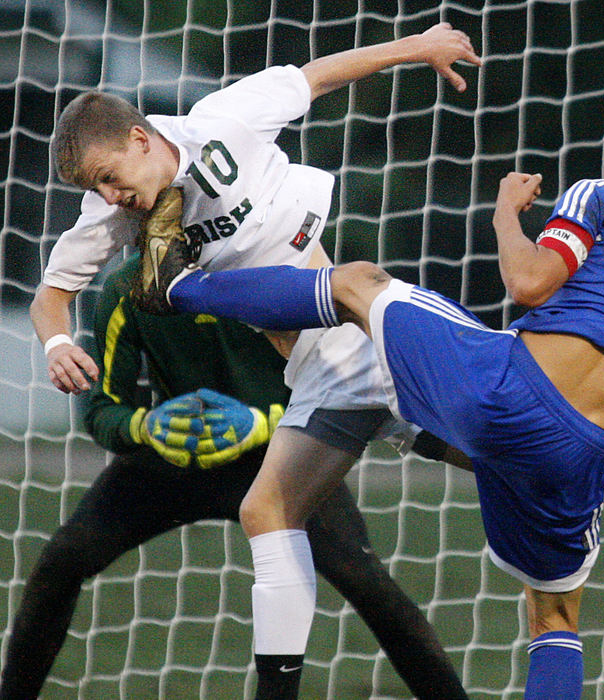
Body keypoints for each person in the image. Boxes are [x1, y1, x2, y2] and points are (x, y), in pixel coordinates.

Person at [134, 73, 604, 699]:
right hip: (585, 451)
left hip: (512, 390)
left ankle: (178, 287)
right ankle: (412, 422)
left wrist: (508, 211)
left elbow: (529, 284)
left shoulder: (603, 195)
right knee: (555, 620)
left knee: (356, 285)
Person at [30, 23, 480, 698]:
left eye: (112, 179)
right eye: (99, 190)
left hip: (345, 348)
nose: (112, 198)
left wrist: (417, 45)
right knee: (268, 514)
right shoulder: (116, 220)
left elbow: (317, 75)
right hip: (303, 384)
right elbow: (52, 295)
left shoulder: (225, 121)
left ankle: (564, 447)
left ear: (140, 139)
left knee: (467, 454)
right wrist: (59, 344)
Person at [2, 253, 467, 700]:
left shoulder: (278, 279)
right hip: (174, 457)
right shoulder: (129, 288)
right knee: (61, 563)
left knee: (367, 583)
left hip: (280, 454)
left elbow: (346, 387)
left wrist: (261, 422)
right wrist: (146, 425)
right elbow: (103, 411)